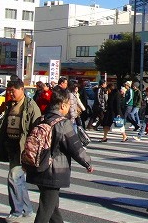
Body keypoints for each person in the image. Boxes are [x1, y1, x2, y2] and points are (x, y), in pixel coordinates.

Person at [26, 88, 93, 222]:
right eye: (68, 105)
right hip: (53, 171)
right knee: (46, 210)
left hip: (36, 167)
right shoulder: (63, 123)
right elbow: (75, 147)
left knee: (52, 208)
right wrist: (88, 163)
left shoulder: (41, 119)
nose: (69, 108)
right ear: (63, 105)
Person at [0, 78, 41, 222]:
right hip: (11, 145)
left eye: (13, 90)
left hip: (23, 148)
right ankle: (27, 209)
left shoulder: (30, 106)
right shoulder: (11, 104)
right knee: (19, 180)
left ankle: (16, 211)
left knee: (13, 177)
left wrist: (32, 149)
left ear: (22, 90)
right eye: (9, 90)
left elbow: (36, 129)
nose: (10, 93)